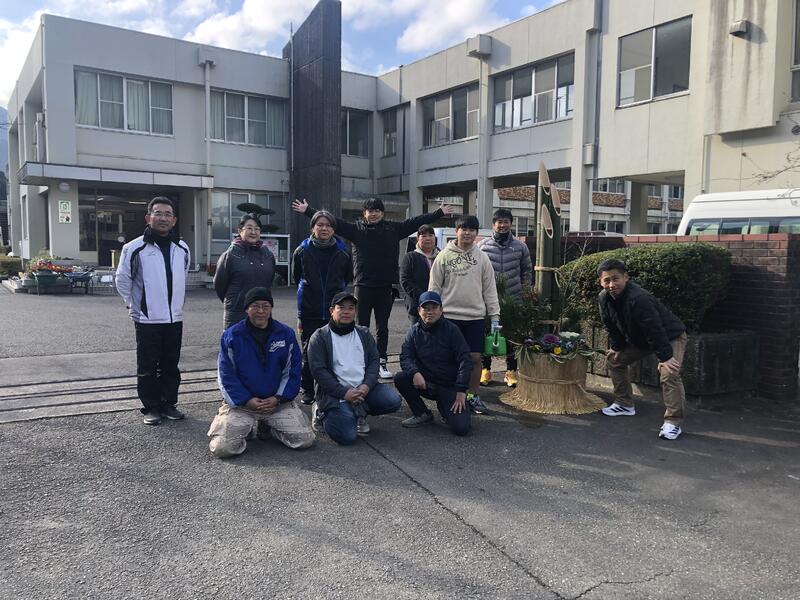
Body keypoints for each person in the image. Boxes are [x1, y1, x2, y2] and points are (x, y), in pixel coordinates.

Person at [293, 197, 454, 379]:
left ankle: (381, 361)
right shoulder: (356, 230)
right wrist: (308, 211)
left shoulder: (393, 229)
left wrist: (439, 212)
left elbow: (416, 221)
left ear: (382, 213)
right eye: (370, 210)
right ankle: (361, 360)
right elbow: (332, 222)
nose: (374, 213)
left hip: (385, 285)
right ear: (365, 213)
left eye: (377, 210)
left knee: (382, 327)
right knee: (360, 326)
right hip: (363, 285)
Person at [207, 287, 315, 458]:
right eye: (255, 306)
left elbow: (293, 371)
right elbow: (226, 375)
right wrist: (246, 400)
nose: (261, 311)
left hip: (277, 404)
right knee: (222, 448)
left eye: (265, 306)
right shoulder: (232, 335)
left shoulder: (285, 334)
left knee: (305, 440)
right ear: (246, 309)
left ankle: (269, 427)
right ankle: (247, 427)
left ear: (271, 308)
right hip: (243, 406)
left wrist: (278, 398)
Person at [116, 196, 190, 426]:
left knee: (170, 364)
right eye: (158, 213)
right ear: (148, 217)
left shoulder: (182, 248)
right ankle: (151, 407)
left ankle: (169, 403)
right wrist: (133, 305)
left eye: (168, 214)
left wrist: (177, 305)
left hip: (174, 317)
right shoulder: (134, 247)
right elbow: (122, 279)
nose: (163, 218)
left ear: (174, 220)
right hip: (147, 318)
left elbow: (183, 275)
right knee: (147, 366)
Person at [597, 258, 688, 441]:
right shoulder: (604, 298)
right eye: (607, 280)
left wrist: (665, 357)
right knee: (615, 360)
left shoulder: (639, 298)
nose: (612, 285)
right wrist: (617, 347)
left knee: (669, 373)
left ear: (626, 277)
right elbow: (611, 326)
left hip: (669, 336)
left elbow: (655, 329)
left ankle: (673, 422)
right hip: (642, 339)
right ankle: (624, 404)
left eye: (616, 279)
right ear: (601, 282)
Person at [307, 291, 402, 445]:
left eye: (351, 308)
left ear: (355, 311)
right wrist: (344, 393)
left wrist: (366, 386)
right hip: (335, 394)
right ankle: (320, 412)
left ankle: (359, 412)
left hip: (363, 389)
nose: (346, 312)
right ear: (332, 311)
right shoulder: (320, 337)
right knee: (347, 436)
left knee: (393, 401)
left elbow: (374, 361)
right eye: (341, 307)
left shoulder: (363, 333)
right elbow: (319, 372)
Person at [429, 215, 500, 415]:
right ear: (456, 231)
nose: (467, 233)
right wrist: (433, 314)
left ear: (476, 233)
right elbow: (434, 288)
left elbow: (490, 289)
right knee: (449, 359)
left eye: (471, 229)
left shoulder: (482, 257)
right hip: (449, 317)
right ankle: (450, 395)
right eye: (463, 229)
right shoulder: (443, 256)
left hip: (475, 317)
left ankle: (472, 396)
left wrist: (494, 316)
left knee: (475, 358)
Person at [292, 210, 352, 403]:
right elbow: (297, 277)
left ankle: (332, 388)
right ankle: (308, 389)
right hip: (309, 308)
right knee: (308, 350)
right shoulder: (302, 250)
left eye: (328, 225)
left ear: (333, 229)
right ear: (313, 228)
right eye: (320, 225)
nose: (324, 228)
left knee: (335, 350)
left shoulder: (343, 251)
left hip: (335, 309)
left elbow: (347, 277)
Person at [394, 291, 472, 436]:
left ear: (441, 310)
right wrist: (415, 373)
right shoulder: (413, 332)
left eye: (434, 308)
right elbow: (405, 356)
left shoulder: (452, 330)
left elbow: (465, 360)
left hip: (448, 385)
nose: (430, 312)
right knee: (401, 377)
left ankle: (445, 407)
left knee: (461, 428)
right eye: (426, 308)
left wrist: (461, 390)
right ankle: (422, 413)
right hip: (426, 382)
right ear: (419, 310)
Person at [477, 208, 532, 388]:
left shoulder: (520, 247)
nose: (502, 225)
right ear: (493, 224)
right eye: (499, 222)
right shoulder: (483, 246)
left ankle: (511, 371)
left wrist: (526, 291)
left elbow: (527, 271)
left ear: (511, 224)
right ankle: (485, 369)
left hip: (513, 297)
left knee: (511, 336)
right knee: (486, 334)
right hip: (488, 298)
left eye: (506, 222)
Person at [213, 213, 276, 330]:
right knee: (236, 341)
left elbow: (269, 280)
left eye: (257, 229)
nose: (253, 232)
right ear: (240, 231)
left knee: (261, 341)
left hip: (262, 313)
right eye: (249, 228)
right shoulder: (230, 255)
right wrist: (233, 301)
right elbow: (219, 285)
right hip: (237, 313)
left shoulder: (268, 255)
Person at [399, 224, 439, 324]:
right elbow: (405, 281)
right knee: (418, 332)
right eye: (424, 236)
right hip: (417, 306)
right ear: (418, 239)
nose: (428, 238)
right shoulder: (410, 257)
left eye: (431, 235)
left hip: (438, 305)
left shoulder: (441, 256)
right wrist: (424, 297)